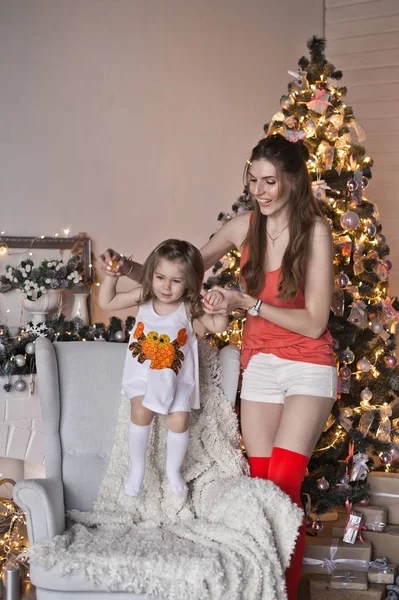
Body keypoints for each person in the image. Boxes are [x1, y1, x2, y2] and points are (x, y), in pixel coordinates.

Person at [99, 134, 337, 599]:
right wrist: (126, 266)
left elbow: (314, 322)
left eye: (270, 182)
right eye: (253, 180)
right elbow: (181, 269)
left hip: (308, 366)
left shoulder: (317, 232)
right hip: (261, 366)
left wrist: (246, 301)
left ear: (293, 180)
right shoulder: (241, 227)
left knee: (285, 488)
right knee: (261, 493)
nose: (261, 191)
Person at [99, 239, 227, 499]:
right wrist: (111, 276)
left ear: (189, 282)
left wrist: (220, 303)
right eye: (160, 277)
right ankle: (137, 470)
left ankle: (173, 471)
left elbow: (217, 326)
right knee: (141, 411)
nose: (166, 287)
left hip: (176, 379)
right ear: (151, 275)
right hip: (143, 375)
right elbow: (108, 302)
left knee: (179, 420)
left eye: (176, 281)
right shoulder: (145, 296)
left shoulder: (188, 306)